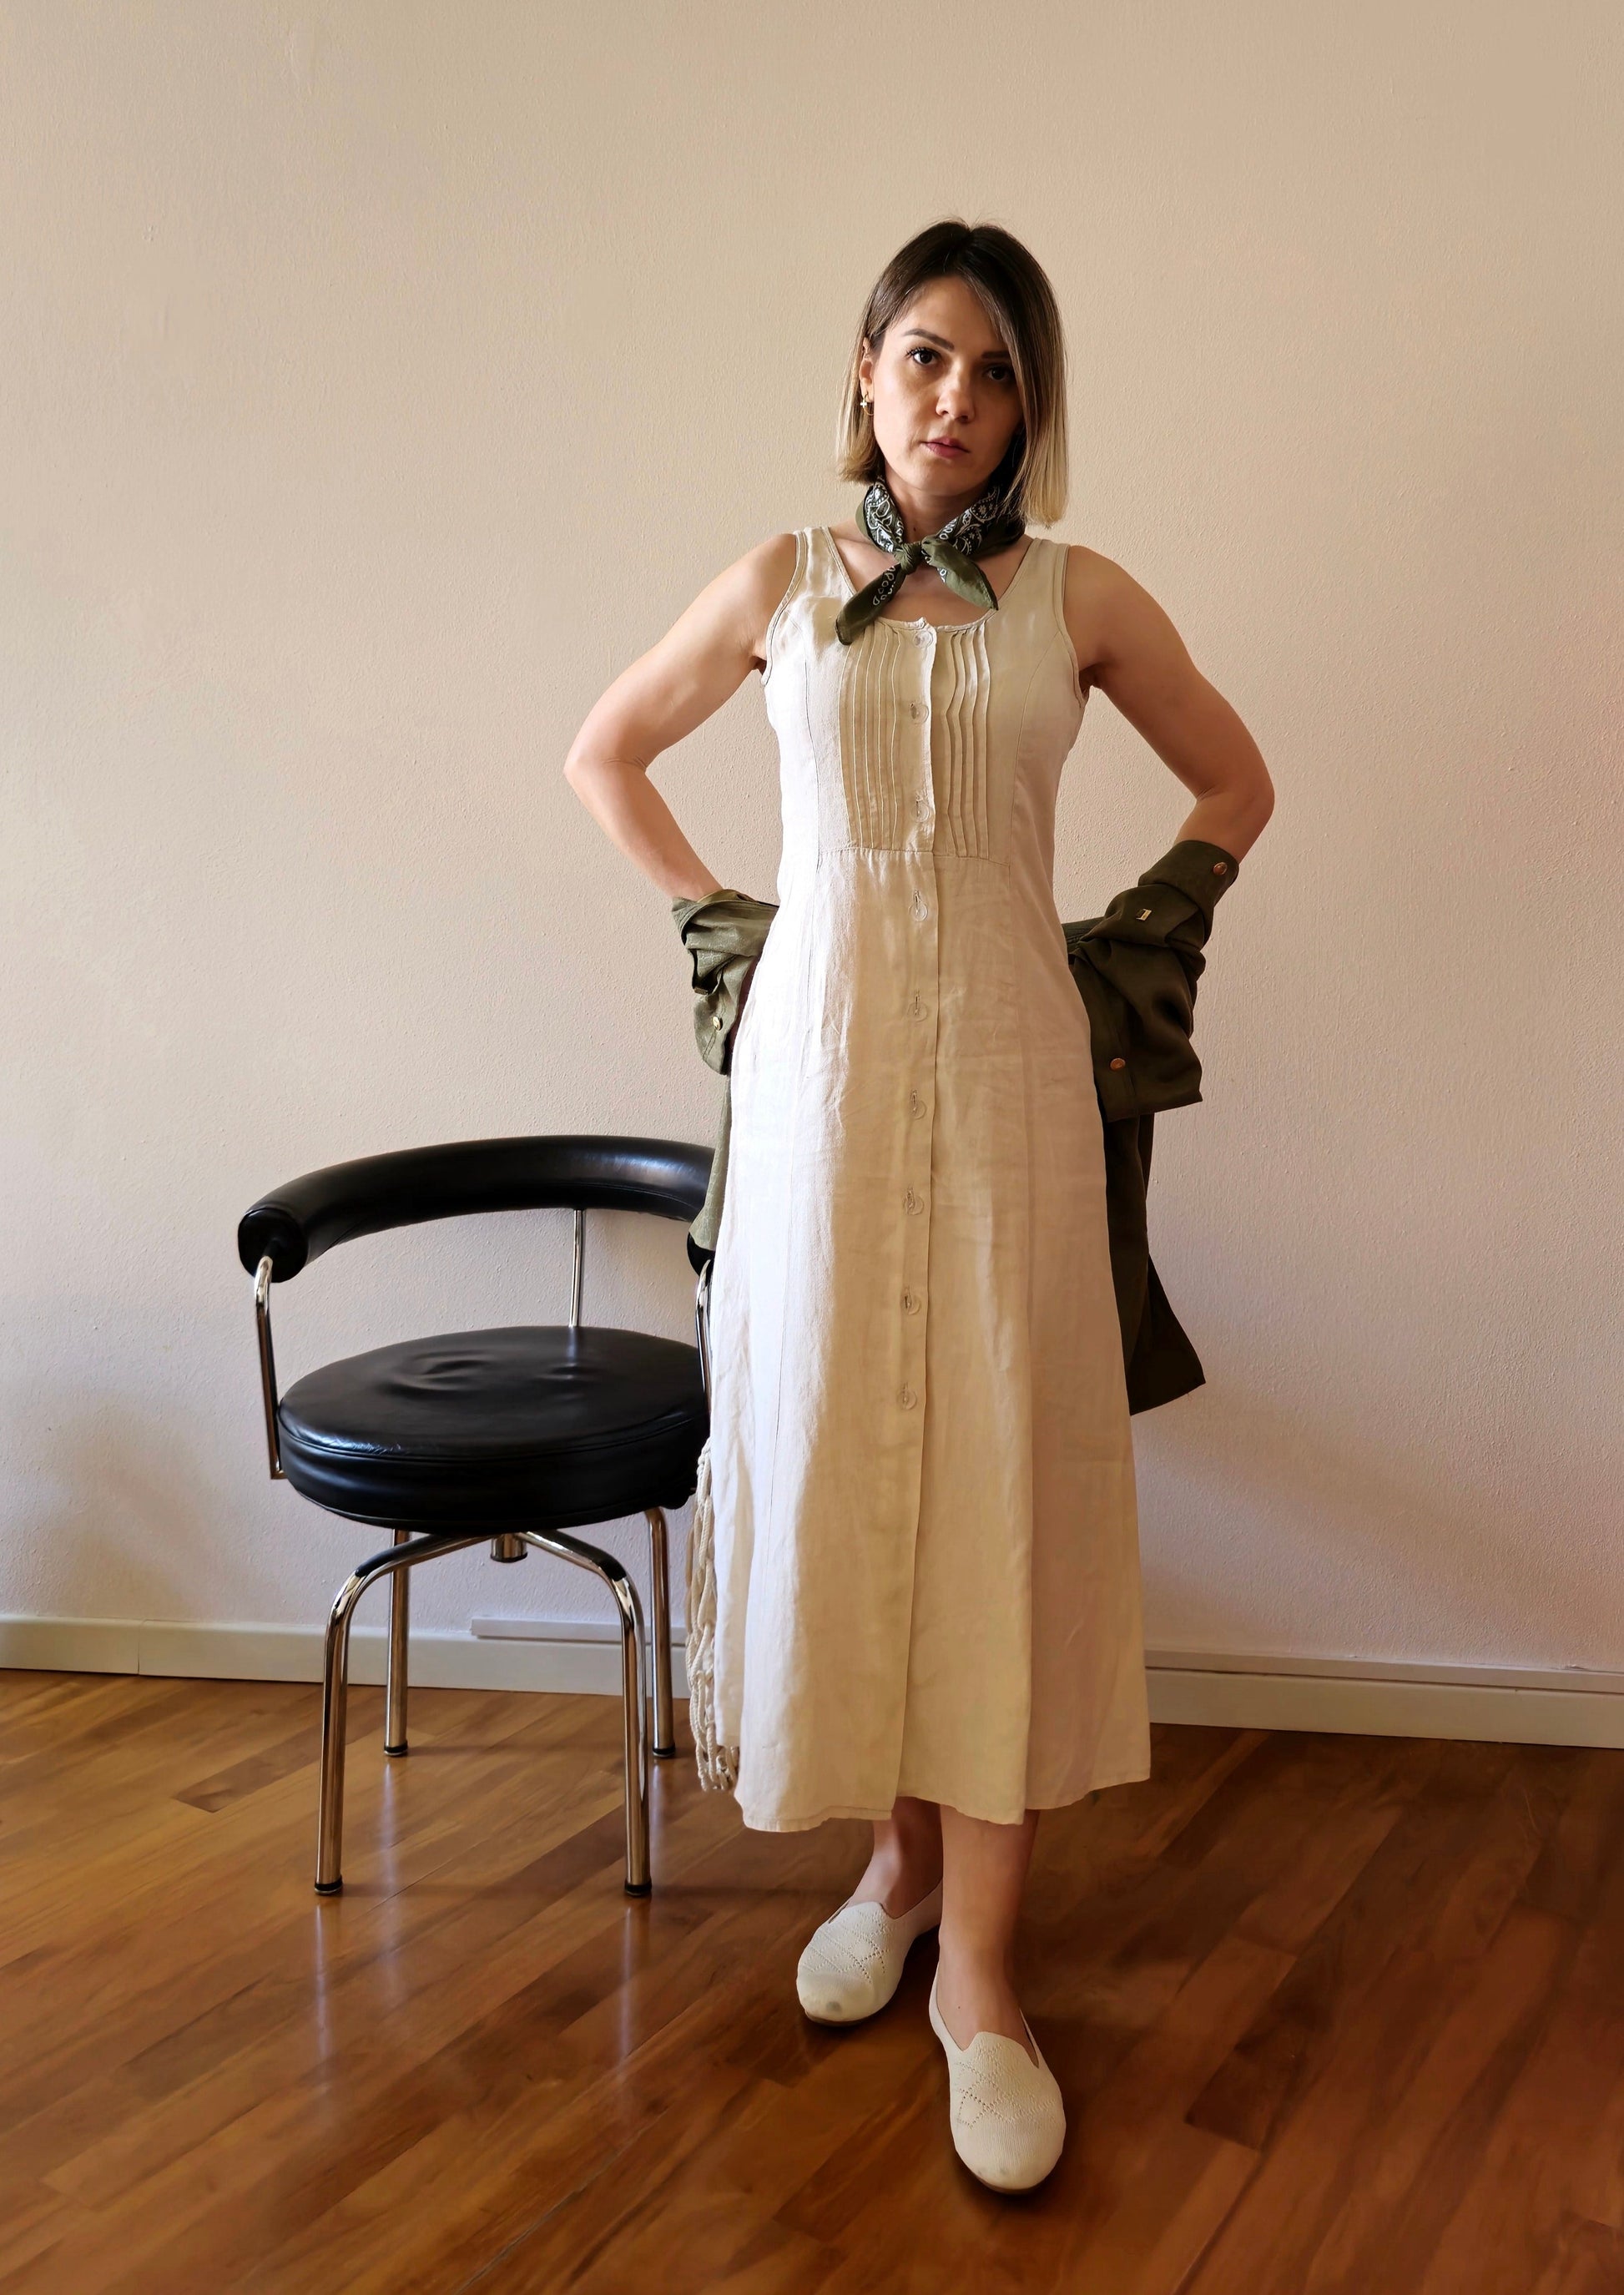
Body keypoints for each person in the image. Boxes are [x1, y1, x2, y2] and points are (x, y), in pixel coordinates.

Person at [564, 217, 1274, 2192]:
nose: (956, 396)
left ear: (1029, 407)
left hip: (1017, 1092)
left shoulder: (1078, 596)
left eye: (996, 370)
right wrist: (723, 929)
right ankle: (888, 1866)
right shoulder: (779, 584)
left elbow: (1234, 783)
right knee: (848, 1458)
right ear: (865, 373)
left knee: (999, 1478)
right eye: (926, 356)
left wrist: (1142, 946)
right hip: (815, 1089)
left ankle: (980, 1971)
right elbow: (603, 755)